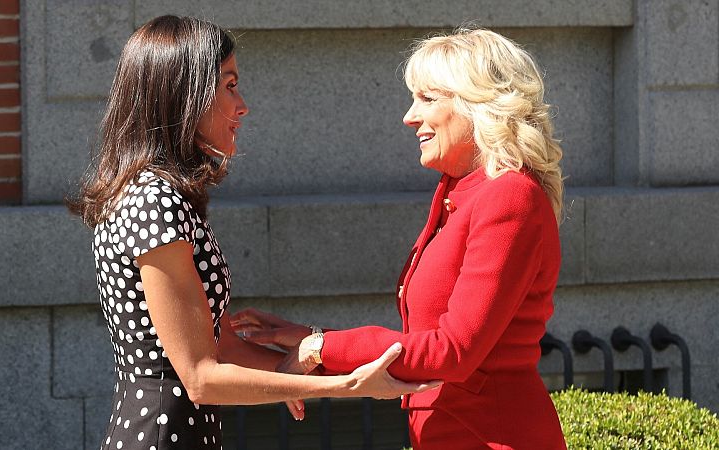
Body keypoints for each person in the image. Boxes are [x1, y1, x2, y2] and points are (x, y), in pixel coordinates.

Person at [67, 15, 439, 450]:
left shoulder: (159, 194)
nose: (242, 104)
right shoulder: (154, 201)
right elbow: (201, 377)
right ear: (184, 96)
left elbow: (221, 345)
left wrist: (304, 365)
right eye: (228, 85)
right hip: (161, 434)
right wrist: (346, 388)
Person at [232, 28, 567, 449]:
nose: (410, 117)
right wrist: (312, 337)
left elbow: (453, 352)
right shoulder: (460, 190)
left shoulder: (509, 195)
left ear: (478, 104)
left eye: (428, 99)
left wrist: (320, 348)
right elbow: (421, 340)